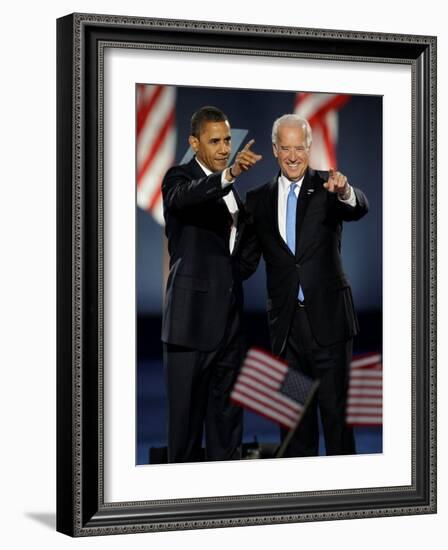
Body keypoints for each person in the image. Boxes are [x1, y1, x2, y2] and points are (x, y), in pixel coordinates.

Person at [241, 114, 369, 457]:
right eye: (286, 148)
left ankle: (346, 501)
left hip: (328, 326)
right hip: (287, 333)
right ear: (275, 149)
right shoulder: (258, 199)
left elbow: (359, 207)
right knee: (294, 426)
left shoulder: (330, 186)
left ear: (310, 148)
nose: (293, 155)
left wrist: (345, 192)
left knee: (337, 423)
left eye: (300, 147)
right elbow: (244, 261)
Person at [161, 105, 262, 463]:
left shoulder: (233, 193)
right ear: (194, 142)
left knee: (227, 430)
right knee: (185, 435)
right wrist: (229, 174)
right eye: (215, 141)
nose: (223, 148)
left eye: (228, 140)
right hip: (190, 327)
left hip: (231, 329)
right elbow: (185, 198)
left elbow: (238, 261)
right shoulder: (178, 178)